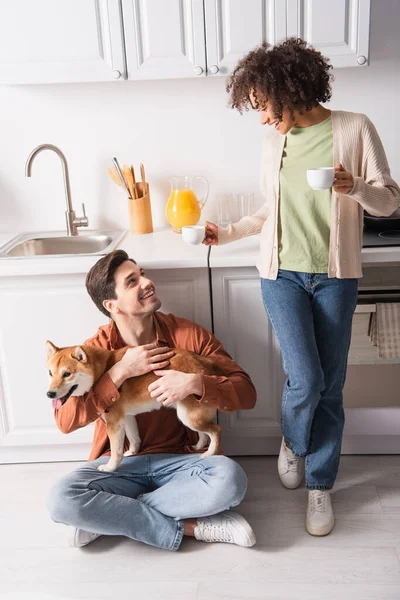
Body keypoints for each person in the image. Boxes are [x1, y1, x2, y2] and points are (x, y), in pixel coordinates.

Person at [204, 38, 400, 536]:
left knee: (331, 387)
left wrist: (351, 185)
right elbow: (271, 211)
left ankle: (320, 485)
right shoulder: (276, 141)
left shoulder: (354, 127)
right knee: (306, 379)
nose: (261, 118)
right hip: (281, 275)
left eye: (262, 105)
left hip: (335, 276)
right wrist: (226, 233)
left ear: (285, 89)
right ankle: (292, 440)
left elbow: (390, 202)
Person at [46, 250, 257, 551]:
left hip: (183, 462)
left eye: (142, 274)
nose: (147, 282)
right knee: (60, 498)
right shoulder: (92, 352)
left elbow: (246, 393)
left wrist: (195, 382)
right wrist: (118, 373)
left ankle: (113, 516)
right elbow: (65, 422)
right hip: (120, 465)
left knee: (231, 480)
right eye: (133, 282)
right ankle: (192, 527)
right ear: (111, 305)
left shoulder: (188, 336)